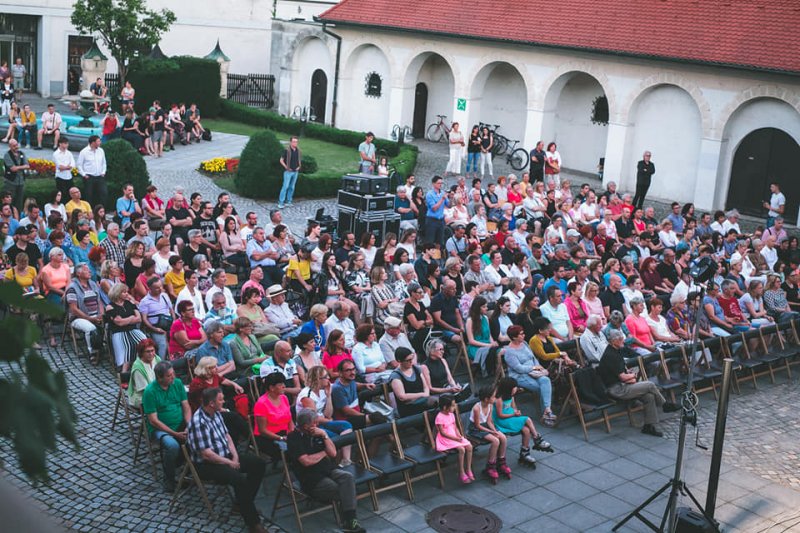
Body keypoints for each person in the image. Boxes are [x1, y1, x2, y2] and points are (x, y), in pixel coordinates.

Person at [186, 388, 268, 533]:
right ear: (211, 403)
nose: (223, 401)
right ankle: (253, 523)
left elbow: (227, 436)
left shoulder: (217, 414)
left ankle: (242, 502)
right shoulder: (198, 422)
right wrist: (230, 463)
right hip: (207, 465)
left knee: (258, 464)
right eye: (220, 399)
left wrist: (235, 456)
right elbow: (206, 454)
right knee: (239, 479)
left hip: (225, 455)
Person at [287, 408, 367, 533]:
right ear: (306, 426)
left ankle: (350, 521)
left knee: (348, 477)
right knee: (340, 488)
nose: (317, 425)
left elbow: (333, 453)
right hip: (311, 477)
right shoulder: (293, 438)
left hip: (327, 469)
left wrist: (324, 435)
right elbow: (306, 461)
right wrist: (324, 453)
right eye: (315, 423)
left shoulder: (318, 433)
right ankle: (349, 521)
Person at [598, 329, 679, 437]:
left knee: (649, 396)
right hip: (616, 389)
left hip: (622, 385)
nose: (623, 340)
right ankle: (665, 405)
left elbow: (622, 372)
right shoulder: (610, 355)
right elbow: (622, 377)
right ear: (614, 341)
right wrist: (633, 376)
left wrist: (629, 375)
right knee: (650, 385)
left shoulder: (615, 351)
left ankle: (648, 426)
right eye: (620, 339)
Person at [142, 361, 191, 492]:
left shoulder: (178, 384)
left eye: (173, 374)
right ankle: (169, 479)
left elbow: (186, 406)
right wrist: (175, 434)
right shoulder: (150, 392)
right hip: (160, 429)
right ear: (159, 378)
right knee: (173, 445)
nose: (173, 377)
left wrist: (189, 424)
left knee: (197, 436)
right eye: (169, 376)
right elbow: (153, 421)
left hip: (180, 423)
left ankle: (189, 472)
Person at [296, 365, 354, 465]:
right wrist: (329, 420)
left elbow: (328, 414)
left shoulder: (323, 390)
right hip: (311, 427)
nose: (329, 378)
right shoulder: (307, 395)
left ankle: (346, 460)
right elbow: (313, 419)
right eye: (325, 376)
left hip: (322, 422)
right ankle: (335, 465)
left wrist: (328, 396)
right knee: (336, 437)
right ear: (317, 379)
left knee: (346, 425)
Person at [493, 377, 552, 468]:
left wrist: (517, 412)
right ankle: (537, 438)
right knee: (527, 419)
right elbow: (500, 415)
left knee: (526, 430)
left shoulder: (511, 397)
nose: (516, 389)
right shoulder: (499, 400)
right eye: (514, 387)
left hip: (510, 418)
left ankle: (525, 453)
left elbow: (514, 408)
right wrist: (513, 415)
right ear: (508, 389)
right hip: (502, 421)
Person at [65, 263, 105, 363]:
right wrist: (90, 318)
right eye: (86, 270)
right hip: (78, 317)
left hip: (95, 315)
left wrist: (101, 314)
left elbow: (99, 301)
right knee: (90, 328)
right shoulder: (72, 288)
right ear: (79, 273)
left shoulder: (93, 284)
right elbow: (74, 309)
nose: (90, 272)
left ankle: (104, 347)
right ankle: (93, 352)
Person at [105, 283, 147, 372]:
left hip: (133, 330)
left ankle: (142, 365)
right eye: (124, 292)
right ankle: (124, 372)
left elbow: (139, 319)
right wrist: (132, 318)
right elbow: (119, 323)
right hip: (119, 332)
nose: (127, 294)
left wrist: (126, 320)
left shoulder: (129, 303)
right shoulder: (110, 307)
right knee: (127, 346)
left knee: (144, 341)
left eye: (126, 292)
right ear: (117, 293)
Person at [435, 394, 474, 484]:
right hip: (445, 438)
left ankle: (468, 468)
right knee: (461, 449)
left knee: (469, 447)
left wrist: (459, 435)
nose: (454, 407)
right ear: (445, 407)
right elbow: (442, 433)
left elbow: (455, 426)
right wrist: (455, 438)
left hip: (454, 435)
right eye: (452, 405)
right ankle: (461, 472)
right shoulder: (439, 417)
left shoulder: (451, 414)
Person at [127, 339, 160, 409]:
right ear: (141, 353)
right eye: (148, 351)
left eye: (152, 351)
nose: (151, 354)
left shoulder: (157, 359)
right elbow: (146, 390)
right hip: (141, 397)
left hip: (157, 391)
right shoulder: (138, 368)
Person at [77, 135, 107, 207]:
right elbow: (79, 165)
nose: (100, 143)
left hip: (99, 176)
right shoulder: (84, 152)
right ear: (93, 142)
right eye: (98, 141)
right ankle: (89, 211)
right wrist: (84, 175)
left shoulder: (101, 151)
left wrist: (103, 172)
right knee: (89, 195)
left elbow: (104, 163)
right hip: (89, 177)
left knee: (103, 193)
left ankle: (101, 210)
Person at [3, 139, 29, 212]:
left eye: (17, 145)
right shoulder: (7, 155)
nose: (16, 147)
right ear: (10, 146)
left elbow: (27, 165)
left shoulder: (22, 153)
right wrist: (22, 167)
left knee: (19, 202)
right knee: (9, 200)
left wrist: (18, 167)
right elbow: (13, 169)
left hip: (21, 182)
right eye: (14, 146)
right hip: (10, 182)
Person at [424, 176, 450, 246]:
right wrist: (442, 199)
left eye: (441, 183)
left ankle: (438, 255)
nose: (440, 185)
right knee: (430, 241)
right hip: (432, 220)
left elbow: (449, 205)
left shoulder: (443, 193)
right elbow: (434, 208)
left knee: (440, 241)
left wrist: (452, 197)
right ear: (433, 184)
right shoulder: (429, 194)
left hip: (441, 220)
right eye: (438, 183)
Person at [279, 136, 301, 208]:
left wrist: (299, 166)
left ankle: (289, 201)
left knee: (292, 187)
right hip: (288, 172)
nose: (295, 143)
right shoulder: (287, 150)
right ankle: (281, 202)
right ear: (290, 142)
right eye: (294, 141)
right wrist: (286, 167)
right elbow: (281, 160)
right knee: (285, 186)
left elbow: (299, 160)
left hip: (295, 172)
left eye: (296, 142)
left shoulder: (298, 151)